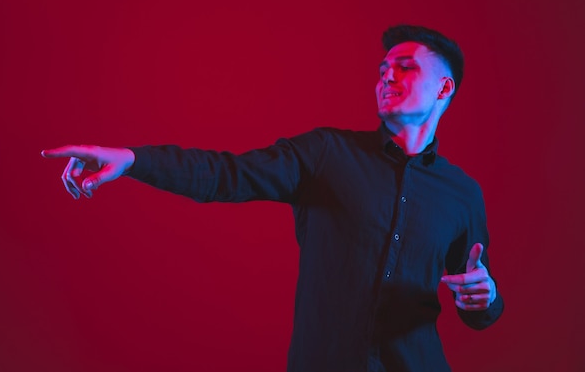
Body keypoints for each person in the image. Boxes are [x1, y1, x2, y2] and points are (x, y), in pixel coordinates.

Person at [42, 24, 504, 372]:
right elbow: (226, 174)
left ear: (444, 88)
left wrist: (486, 298)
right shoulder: (327, 153)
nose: (387, 76)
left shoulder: (462, 194)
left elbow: (478, 306)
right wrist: (132, 159)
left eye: (405, 68)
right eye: (382, 69)